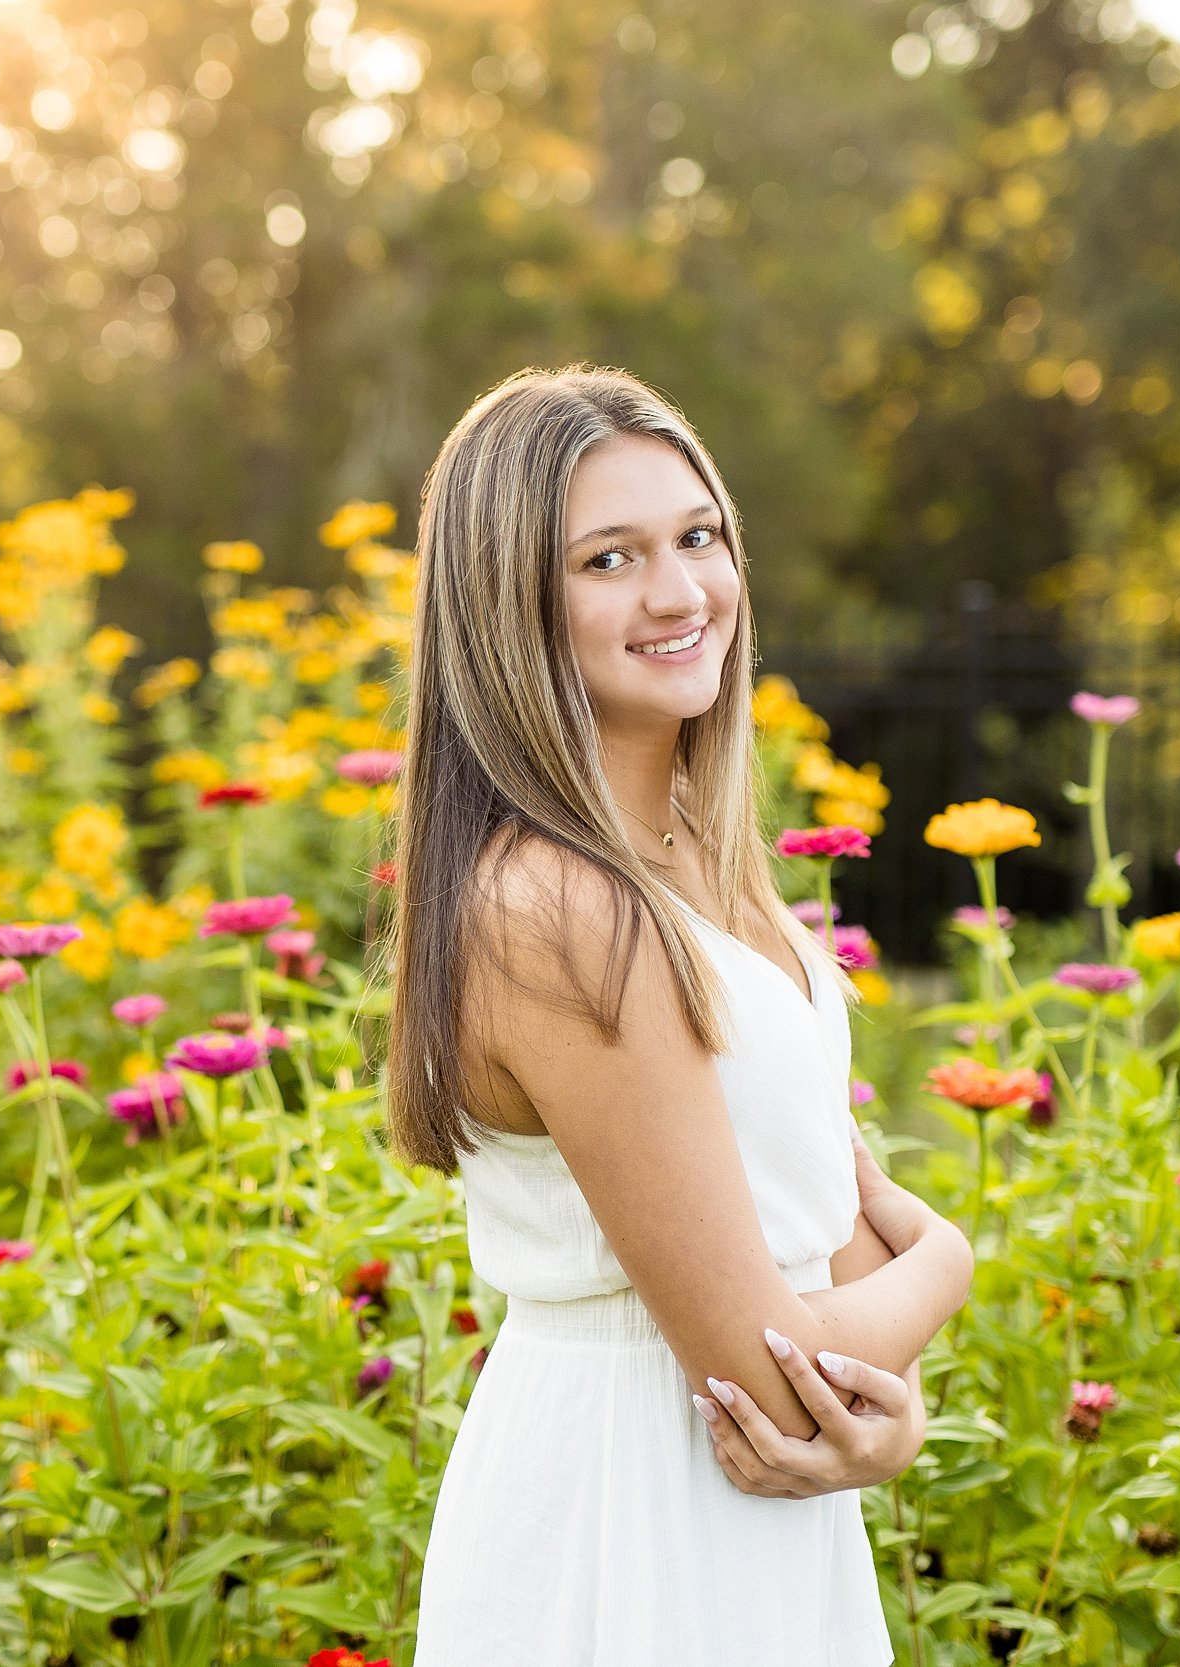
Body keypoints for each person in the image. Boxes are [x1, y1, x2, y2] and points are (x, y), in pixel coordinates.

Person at [386, 365, 975, 1664]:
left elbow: (830, 1236)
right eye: (610, 559)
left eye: (698, 538)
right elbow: (774, 1365)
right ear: (509, 610)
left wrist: (893, 1418)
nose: (680, 592)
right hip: (625, 1506)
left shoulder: (705, 861)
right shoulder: (562, 910)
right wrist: (955, 1264)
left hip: (755, 1508)